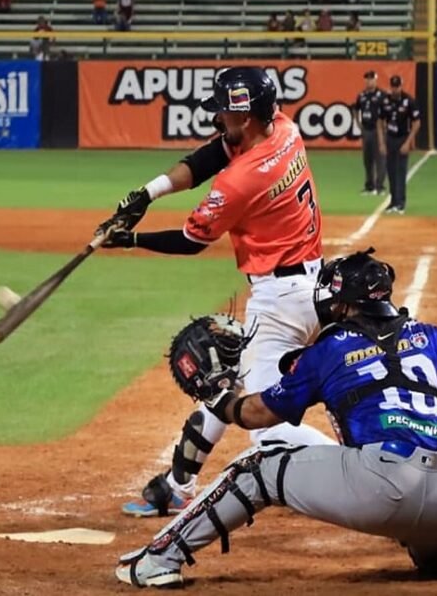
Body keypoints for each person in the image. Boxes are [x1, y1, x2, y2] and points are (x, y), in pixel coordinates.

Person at [113, 249, 437, 590]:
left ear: (343, 303)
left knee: (259, 467)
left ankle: (158, 559)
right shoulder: (435, 337)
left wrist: (218, 395)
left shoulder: (328, 349)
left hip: (381, 487)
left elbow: (257, 414)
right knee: (429, 556)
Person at [97, 68, 340, 517]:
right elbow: (213, 153)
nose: (218, 119)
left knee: (266, 431)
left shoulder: (241, 180)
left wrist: (131, 240)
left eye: (225, 112)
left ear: (245, 118)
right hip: (315, 288)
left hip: (280, 301)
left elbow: (192, 241)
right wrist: (147, 195)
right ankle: (178, 483)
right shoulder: (285, 128)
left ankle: (357, 471)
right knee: (229, 384)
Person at [378, 75, 421, 214]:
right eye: (393, 86)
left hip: (403, 138)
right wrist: (382, 142)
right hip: (390, 138)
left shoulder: (409, 101)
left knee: (401, 171)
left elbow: (416, 122)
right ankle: (393, 201)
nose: (395, 89)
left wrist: (408, 142)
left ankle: (401, 203)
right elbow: (380, 121)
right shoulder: (385, 101)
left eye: (397, 86)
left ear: (401, 86)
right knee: (390, 171)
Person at [354, 70, 386, 195]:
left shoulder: (381, 95)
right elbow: (356, 110)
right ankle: (369, 186)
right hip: (366, 129)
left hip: (378, 130)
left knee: (380, 159)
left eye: (371, 78)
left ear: (375, 80)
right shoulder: (361, 95)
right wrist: (359, 124)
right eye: (367, 78)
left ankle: (380, 186)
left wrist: (385, 127)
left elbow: (387, 111)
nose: (369, 81)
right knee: (367, 160)